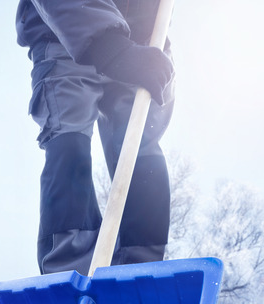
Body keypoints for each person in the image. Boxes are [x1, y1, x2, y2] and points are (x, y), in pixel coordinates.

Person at [16, 0, 175, 275]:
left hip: (145, 40)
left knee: (140, 146)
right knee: (69, 134)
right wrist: (110, 47)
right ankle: (70, 271)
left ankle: (141, 272)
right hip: (64, 31)